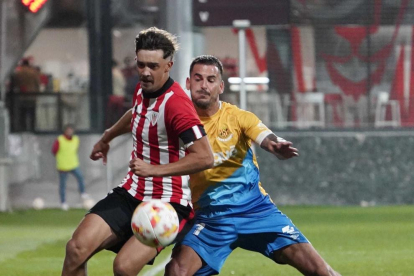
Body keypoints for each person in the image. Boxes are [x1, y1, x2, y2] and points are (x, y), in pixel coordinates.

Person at [165, 55, 341, 276]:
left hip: (256, 211)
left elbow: (265, 136)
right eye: (198, 79)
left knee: (320, 270)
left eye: (211, 80)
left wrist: (275, 146)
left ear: (220, 87)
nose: (204, 85)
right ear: (188, 83)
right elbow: (140, 117)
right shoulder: (179, 123)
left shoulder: (238, 117)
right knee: (176, 271)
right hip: (212, 219)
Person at [61, 27, 214, 276]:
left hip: (168, 203)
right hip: (132, 192)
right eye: (141, 64)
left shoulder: (177, 104)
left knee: (123, 267)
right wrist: (107, 136)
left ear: (168, 66)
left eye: (153, 66)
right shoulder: (143, 89)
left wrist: (155, 170)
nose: (145, 72)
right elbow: (136, 113)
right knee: (76, 248)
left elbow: (205, 157)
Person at [52, 124, 88, 211]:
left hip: (73, 164)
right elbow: (54, 151)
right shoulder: (60, 139)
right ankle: (63, 203)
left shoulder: (76, 139)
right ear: (65, 131)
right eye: (68, 130)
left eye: (71, 130)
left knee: (80, 177)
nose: (69, 132)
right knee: (63, 185)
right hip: (63, 165)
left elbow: (75, 149)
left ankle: (82, 193)